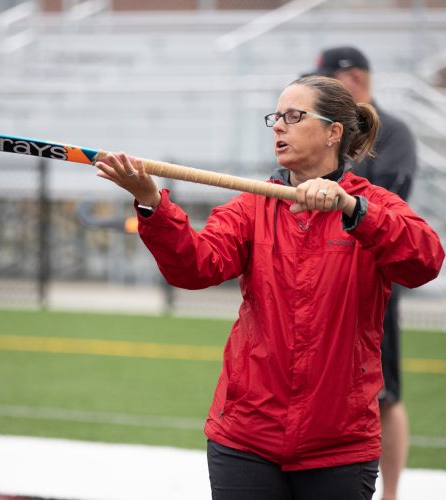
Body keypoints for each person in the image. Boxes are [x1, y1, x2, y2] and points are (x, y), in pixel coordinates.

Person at [94, 75, 444, 500]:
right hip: (246, 438)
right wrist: (151, 201)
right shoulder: (251, 206)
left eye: (294, 117)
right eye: (275, 117)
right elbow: (194, 267)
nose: (278, 126)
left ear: (334, 132)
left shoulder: (375, 205)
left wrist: (353, 208)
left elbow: (424, 261)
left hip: (340, 446)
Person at [304, 46, 417, 500]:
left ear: (352, 79)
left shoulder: (396, 134)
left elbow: (391, 205)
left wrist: (344, 201)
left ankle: (388, 495)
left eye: (328, 82)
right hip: (315, 269)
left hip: (369, 275)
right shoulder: (321, 132)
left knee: (384, 392)